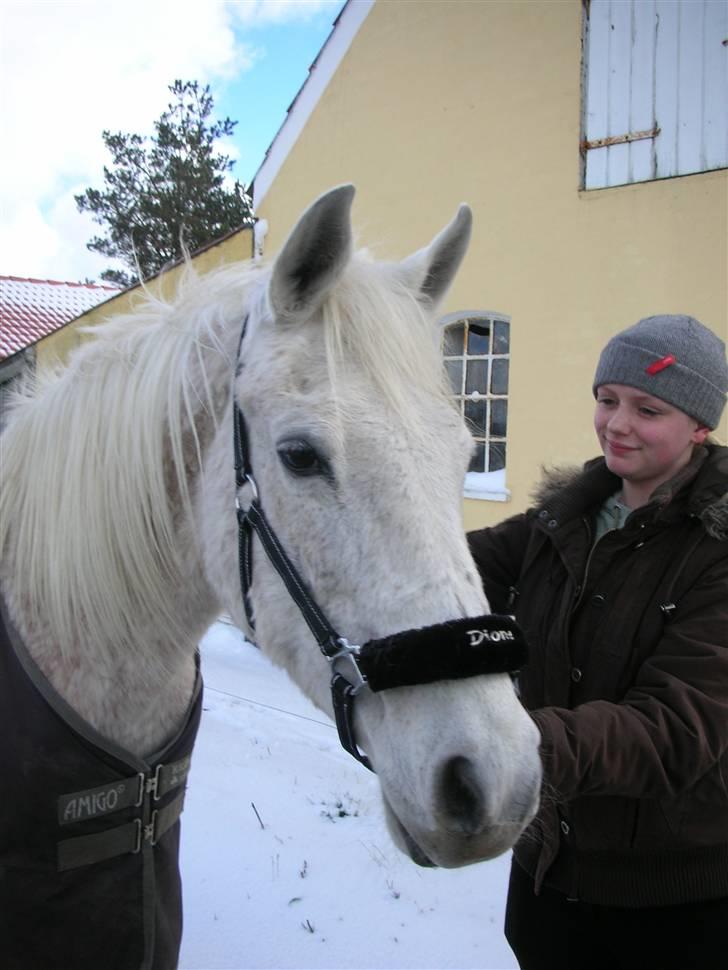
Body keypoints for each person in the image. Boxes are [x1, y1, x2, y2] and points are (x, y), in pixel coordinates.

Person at [468, 315, 728, 970]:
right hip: (546, 881)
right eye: (607, 399)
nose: (616, 423)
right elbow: (449, 580)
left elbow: (676, 728)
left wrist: (512, 748)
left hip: (672, 912)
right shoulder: (565, 519)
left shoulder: (717, 551)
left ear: (699, 426)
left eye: (648, 408)